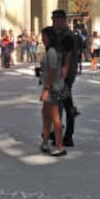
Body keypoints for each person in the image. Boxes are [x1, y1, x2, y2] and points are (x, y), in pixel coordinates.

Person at [51, 9, 81, 147]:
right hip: (61, 76)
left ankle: (67, 135)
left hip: (65, 77)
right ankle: (61, 133)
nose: (53, 23)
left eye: (55, 20)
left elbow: (67, 58)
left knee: (63, 104)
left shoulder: (68, 36)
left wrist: (64, 75)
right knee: (63, 103)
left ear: (62, 20)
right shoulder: (60, 35)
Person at [40, 26, 68, 156]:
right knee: (46, 114)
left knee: (55, 118)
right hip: (56, 86)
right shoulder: (56, 51)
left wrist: (47, 88)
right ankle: (45, 142)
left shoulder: (51, 52)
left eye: (44, 36)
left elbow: (53, 70)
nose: (42, 39)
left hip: (52, 88)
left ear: (49, 37)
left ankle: (60, 146)